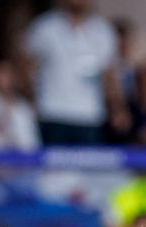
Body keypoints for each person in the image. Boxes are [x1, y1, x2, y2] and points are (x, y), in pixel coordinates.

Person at [23, 0, 120, 145]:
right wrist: (31, 101)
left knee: (89, 164)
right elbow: (27, 68)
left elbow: (109, 75)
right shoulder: (44, 28)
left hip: (90, 116)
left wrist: (117, 108)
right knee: (54, 167)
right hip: (53, 113)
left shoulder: (103, 31)